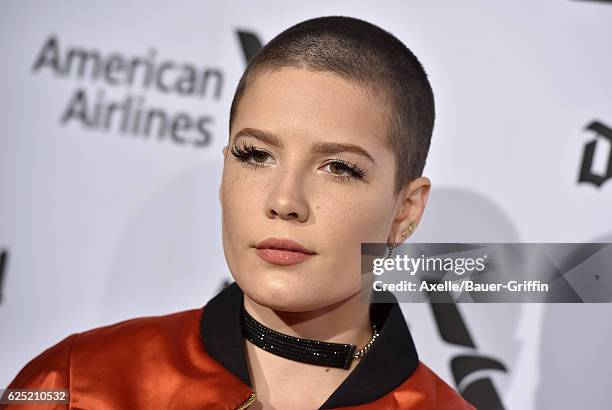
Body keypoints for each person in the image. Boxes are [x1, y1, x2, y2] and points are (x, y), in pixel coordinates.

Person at [3, 16, 476, 409]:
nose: (284, 200)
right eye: (256, 155)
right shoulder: (76, 382)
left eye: (339, 168)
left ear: (405, 210)